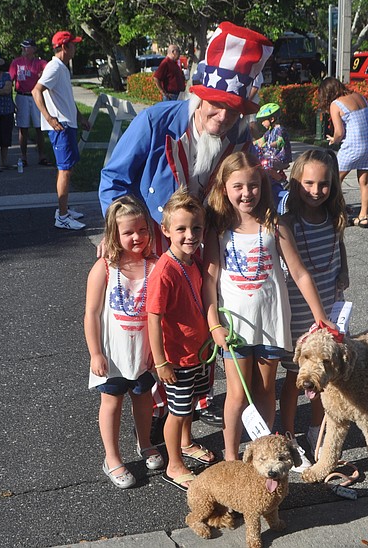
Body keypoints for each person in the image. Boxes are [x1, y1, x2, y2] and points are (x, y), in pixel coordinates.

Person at [99, 22, 274, 430]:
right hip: (149, 251)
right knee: (153, 339)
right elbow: (114, 180)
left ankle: (186, 414)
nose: (223, 115)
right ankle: (157, 428)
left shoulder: (239, 137)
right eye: (215, 104)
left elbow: (252, 190)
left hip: (201, 252)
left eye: (233, 109)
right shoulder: (157, 121)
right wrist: (118, 239)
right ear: (198, 94)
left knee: (199, 331)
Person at [203, 151, 334, 461]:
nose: (247, 193)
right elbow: (209, 282)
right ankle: (232, 459)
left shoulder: (274, 224)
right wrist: (214, 326)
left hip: (272, 323)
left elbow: (299, 273)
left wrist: (320, 317)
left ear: (262, 186)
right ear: (225, 188)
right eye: (238, 187)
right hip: (235, 327)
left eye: (253, 186)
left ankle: (262, 455)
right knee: (236, 395)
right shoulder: (218, 229)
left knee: (264, 391)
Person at [277, 149, 349, 470]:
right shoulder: (288, 222)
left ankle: (315, 430)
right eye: (308, 183)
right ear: (295, 182)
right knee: (296, 376)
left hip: (329, 305)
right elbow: (296, 271)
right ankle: (288, 434)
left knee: (325, 376)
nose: (316, 191)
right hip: (300, 311)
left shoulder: (334, 217)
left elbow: (338, 245)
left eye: (323, 184)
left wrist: (344, 271)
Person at [85, 196, 163, 489]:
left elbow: (161, 314)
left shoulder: (154, 266)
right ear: (113, 235)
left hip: (142, 352)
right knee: (112, 403)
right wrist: (95, 352)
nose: (137, 237)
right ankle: (112, 457)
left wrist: (159, 350)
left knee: (144, 400)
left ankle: (144, 443)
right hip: (112, 354)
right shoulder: (105, 268)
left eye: (142, 230)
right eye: (128, 232)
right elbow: (91, 314)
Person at [146, 188, 217, 490]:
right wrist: (161, 361)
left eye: (196, 228)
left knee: (190, 406)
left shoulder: (193, 260)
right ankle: (174, 465)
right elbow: (153, 318)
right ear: (165, 230)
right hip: (176, 357)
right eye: (181, 229)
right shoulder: (164, 270)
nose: (190, 235)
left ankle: (186, 443)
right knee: (177, 412)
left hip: (198, 352)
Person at [33, 31, 91, 230]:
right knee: (64, 170)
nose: (75, 48)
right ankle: (62, 216)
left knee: (68, 168)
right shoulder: (54, 67)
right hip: (61, 127)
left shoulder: (62, 68)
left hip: (68, 124)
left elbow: (66, 98)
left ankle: (64, 208)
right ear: (64, 47)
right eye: (73, 45)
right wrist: (49, 117)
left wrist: (80, 117)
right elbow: (36, 90)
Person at [317, 76, 368, 228]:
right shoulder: (360, 97)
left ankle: (336, 213)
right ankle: (363, 217)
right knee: (364, 181)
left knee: (334, 180)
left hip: (353, 146)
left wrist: (333, 140)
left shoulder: (335, 104)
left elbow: (339, 132)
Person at [8, 39, 49, 170]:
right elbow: (10, 80)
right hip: (22, 95)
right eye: (23, 47)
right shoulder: (16, 63)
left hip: (36, 96)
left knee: (39, 127)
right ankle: (23, 156)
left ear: (33, 49)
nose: (25, 49)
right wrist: (10, 100)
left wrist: (43, 74)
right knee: (23, 127)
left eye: (27, 47)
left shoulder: (40, 63)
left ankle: (42, 155)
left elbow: (50, 70)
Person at [252, 102, 291, 202]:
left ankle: (283, 182)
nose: (262, 123)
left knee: (266, 167)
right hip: (272, 157)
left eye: (263, 120)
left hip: (280, 158)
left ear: (272, 119)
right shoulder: (269, 131)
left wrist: (269, 145)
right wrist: (251, 143)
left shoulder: (279, 130)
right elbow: (261, 140)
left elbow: (280, 141)